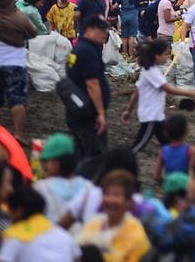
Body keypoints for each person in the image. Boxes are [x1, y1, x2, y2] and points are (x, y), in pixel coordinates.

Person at [124, 39, 195, 155]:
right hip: (151, 117)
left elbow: (137, 92)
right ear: (156, 55)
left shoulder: (149, 70)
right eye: (165, 54)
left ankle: (176, 159)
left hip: (157, 116)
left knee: (167, 142)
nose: (167, 57)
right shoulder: (152, 72)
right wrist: (194, 93)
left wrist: (129, 110)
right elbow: (169, 89)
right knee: (138, 145)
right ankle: (123, 159)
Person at [65, 16, 111, 177]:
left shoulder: (79, 48)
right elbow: (92, 83)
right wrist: (100, 113)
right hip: (87, 111)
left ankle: (75, 181)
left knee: (81, 151)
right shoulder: (87, 51)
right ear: (89, 30)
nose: (105, 34)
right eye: (102, 30)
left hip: (77, 108)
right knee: (96, 153)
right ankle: (79, 182)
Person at [0, 0, 37, 141]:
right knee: (17, 100)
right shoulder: (20, 19)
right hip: (15, 63)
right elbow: (33, 32)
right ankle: (18, 134)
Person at [77, 169, 150, 262]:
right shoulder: (94, 223)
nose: (110, 200)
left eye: (116, 195)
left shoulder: (136, 237)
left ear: (128, 201)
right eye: (107, 194)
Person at [32, 133, 102, 230]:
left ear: (57, 162)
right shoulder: (89, 187)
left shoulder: (40, 188)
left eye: (46, 160)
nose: (43, 165)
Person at [0, 186, 81, 262]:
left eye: (8, 210)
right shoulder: (64, 236)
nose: (8, 215)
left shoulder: (15, 236)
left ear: (19, 212)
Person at [153, 114, 195, 183]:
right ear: (186, 131)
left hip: (169, 187)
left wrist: (168, 182)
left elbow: (156, 176)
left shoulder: (163, 151)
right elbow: (192, 174)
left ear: (166, 133)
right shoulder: (190, 150)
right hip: (185, 186)